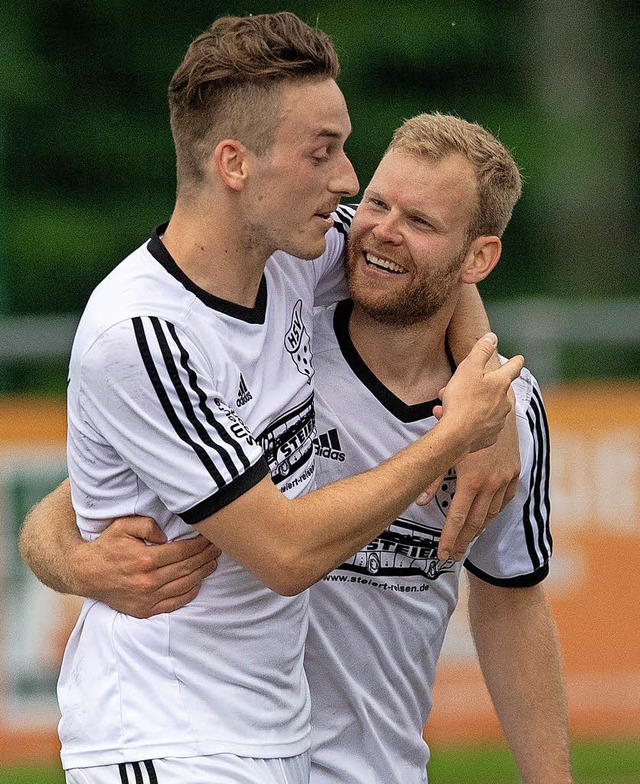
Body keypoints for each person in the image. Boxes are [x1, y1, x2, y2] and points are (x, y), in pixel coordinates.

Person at [18, 13, 524, 784]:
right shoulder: (142, 331)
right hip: (170, 739)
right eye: (321, 152)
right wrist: (457, 436)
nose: (349, 179)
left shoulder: (293, 254)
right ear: (234, 164)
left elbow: (429, 258)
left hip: (272, 739)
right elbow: (285, 554)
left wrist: (483, 398)